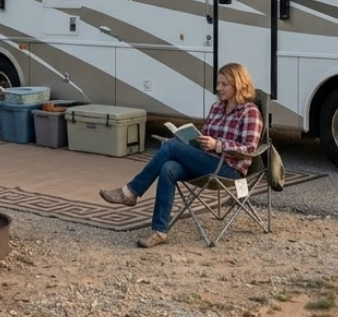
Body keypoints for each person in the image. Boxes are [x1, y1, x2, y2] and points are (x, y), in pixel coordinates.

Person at [98, 62, 263, 248]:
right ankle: (160, 231)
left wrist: (217, 145)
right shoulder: (217, 108)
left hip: (229, 169)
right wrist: (194, 140)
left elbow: (250, 150)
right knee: (169, 167)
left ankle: (130, 192)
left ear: (238, 84)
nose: (218, 88)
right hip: (206, 162)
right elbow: (204, 136)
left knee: (171, 148)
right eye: (218, 83)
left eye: (224, 84)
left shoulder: (250, 112)